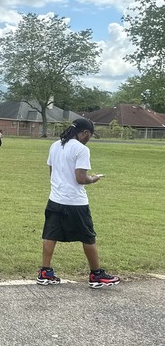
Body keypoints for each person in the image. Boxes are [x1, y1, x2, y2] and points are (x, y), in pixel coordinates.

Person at [38, 118, 120, 288]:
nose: (89, 138)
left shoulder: (55, 145)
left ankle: (45, 272)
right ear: (84, 133)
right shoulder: (82, 149)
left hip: (55, 198)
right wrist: (94, 179)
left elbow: (52, 173)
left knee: (50, 234)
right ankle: (96, 275)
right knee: (88, 237)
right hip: (75, 201)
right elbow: (81, 178)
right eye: (89, 135)